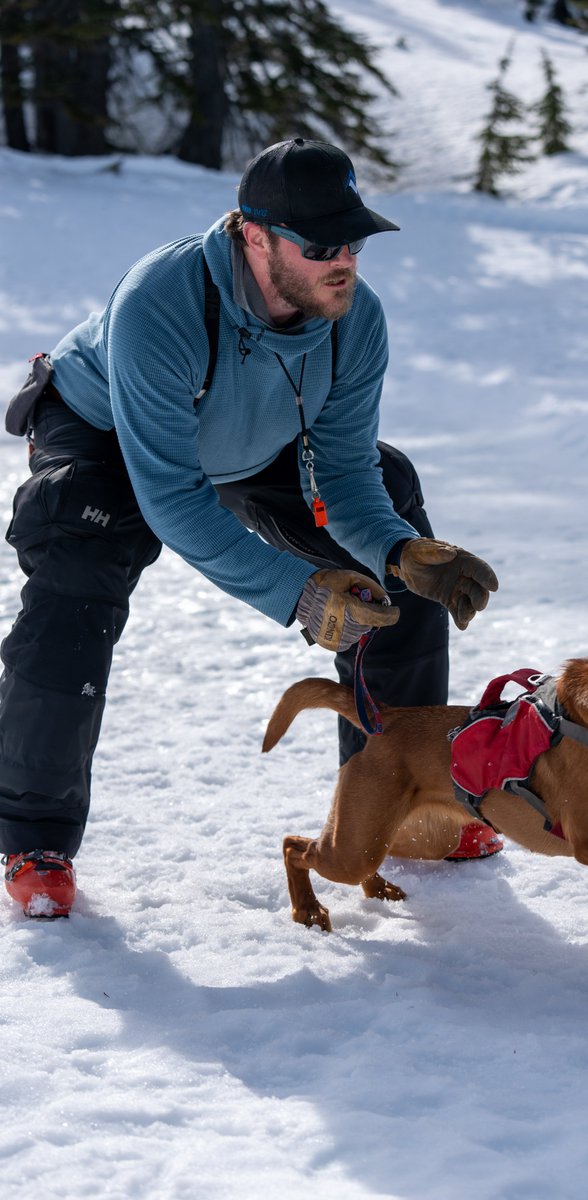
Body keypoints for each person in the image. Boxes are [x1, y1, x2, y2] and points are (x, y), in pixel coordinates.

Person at [0, 137, 499, 919]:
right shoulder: (160, 300)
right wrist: (298, 594)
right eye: (323, 244)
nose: (345, 260)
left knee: (396, 537)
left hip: (252, 442)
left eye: (355, 240)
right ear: (254, 235)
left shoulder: (352, 317)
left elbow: (343, 473)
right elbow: (170, 492)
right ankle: (35, 836)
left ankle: (401, 808)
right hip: (110, 436)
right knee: (79, 562)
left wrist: (398, 551)